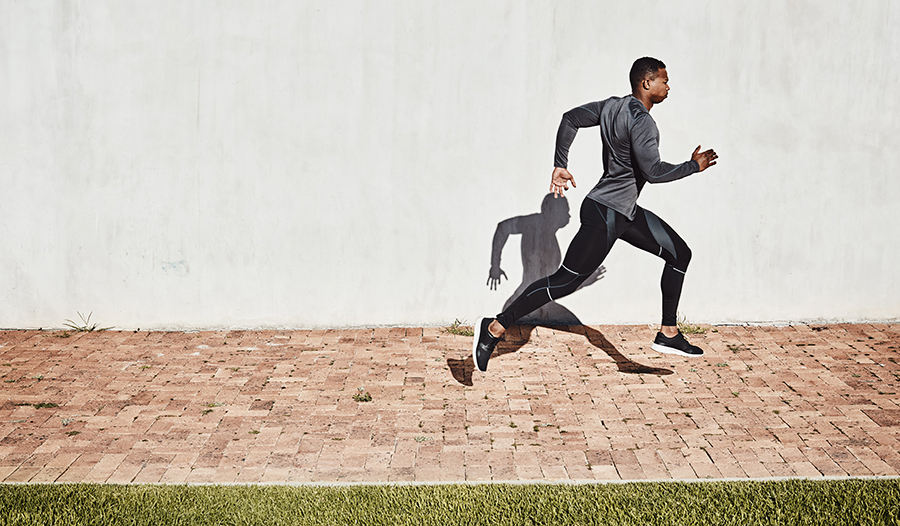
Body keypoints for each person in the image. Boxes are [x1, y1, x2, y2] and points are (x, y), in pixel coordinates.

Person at [473, 57, 718, 373]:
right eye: (664, 80)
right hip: (607, 213)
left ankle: (668, 332)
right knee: (564, 282)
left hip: (623, 212)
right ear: (647, 83)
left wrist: (560, 162)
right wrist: (692, 167)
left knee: (679, 254)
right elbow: (654, 172)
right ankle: (494, 326)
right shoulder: (643, 122)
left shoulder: (612, 107)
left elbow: (570, 119)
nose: (668, 86)